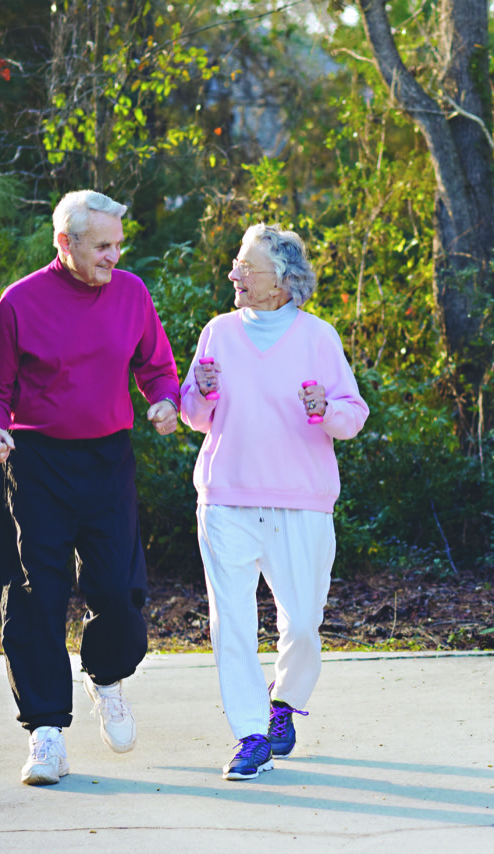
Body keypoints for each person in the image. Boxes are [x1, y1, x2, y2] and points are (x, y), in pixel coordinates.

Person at [0, 190, 181, 786]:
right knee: (36, 592)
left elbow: (155, 364)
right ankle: (45, 734)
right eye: (103, 247)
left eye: (119, 245)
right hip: (34, 460)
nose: (114, 257)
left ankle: (107, 676)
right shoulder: (20, 301)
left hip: (107, 458)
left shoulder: (132, 293)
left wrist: (163, 401)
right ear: (64, 244)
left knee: (118, 588)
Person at [180, 223, 368, 781]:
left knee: (304, 620)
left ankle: (282, 701)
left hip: (301, 501)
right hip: (226, 497)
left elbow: (352, 417)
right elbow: (194, 416)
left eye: (246, 266)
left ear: (282, 282)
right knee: (231, 621)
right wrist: (201, 392)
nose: (233, 273)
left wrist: (323, 409)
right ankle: (249, 733)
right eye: (237, 264)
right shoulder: (217, 332)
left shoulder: (318, 337)